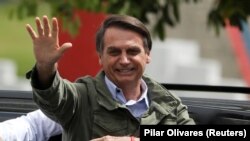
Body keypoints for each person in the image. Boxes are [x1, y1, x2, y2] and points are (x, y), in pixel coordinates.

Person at [25, 14, 195, 141]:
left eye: (132, 51)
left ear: (147, 55)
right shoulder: (81, 98)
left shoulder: (170, 105)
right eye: (114, 52)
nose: (124, 60)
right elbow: (53, 96)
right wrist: (45, 67)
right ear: (100, 57)